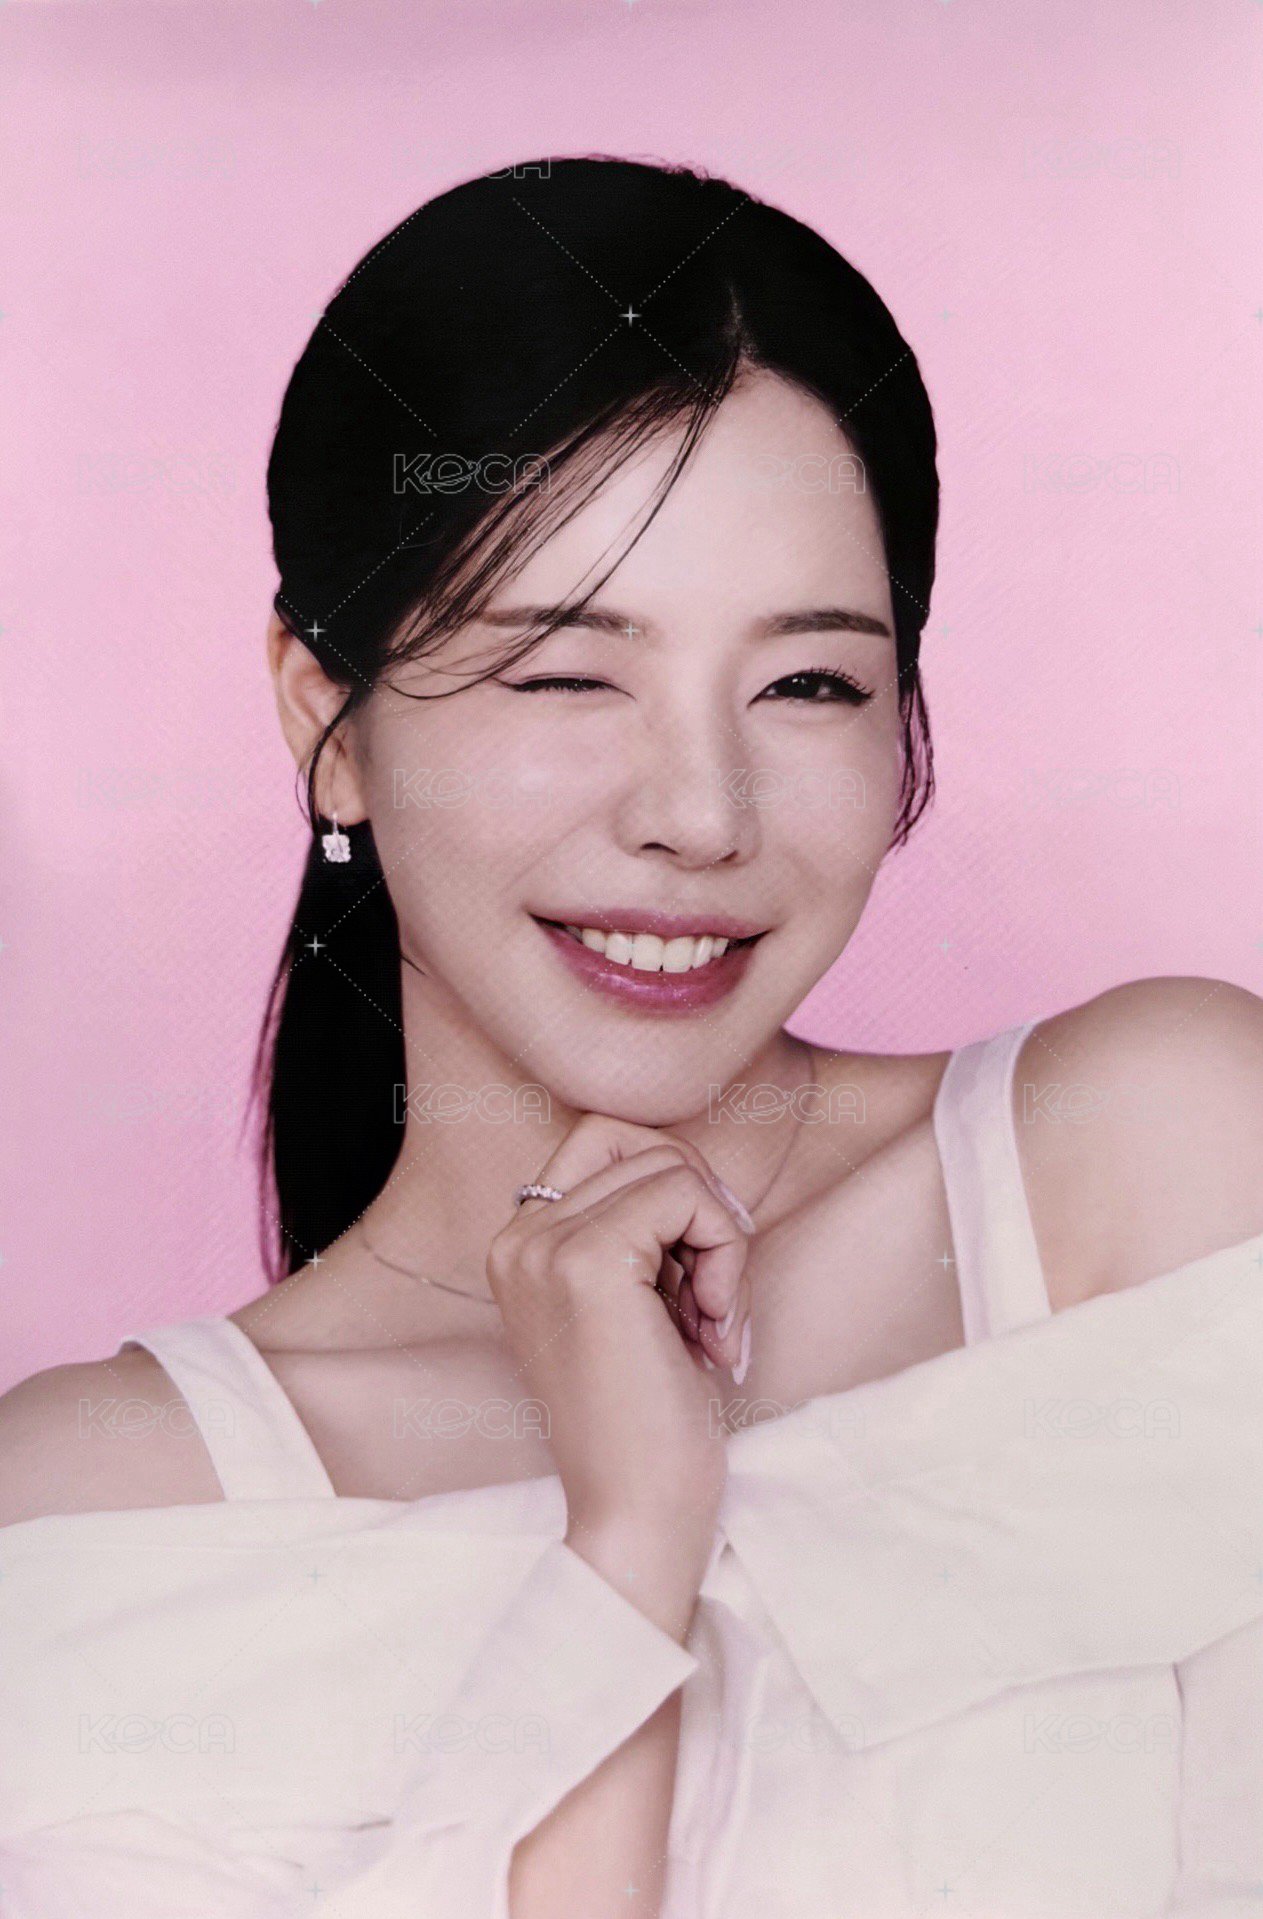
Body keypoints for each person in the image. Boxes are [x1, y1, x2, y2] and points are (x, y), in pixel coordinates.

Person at [2, 155, 1261, 1919]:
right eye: (566, 674)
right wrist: (625, 1550)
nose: (701, 814)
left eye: (809, 682)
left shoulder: (1154, 1168)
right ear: (330, 721)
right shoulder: (106, 1516)